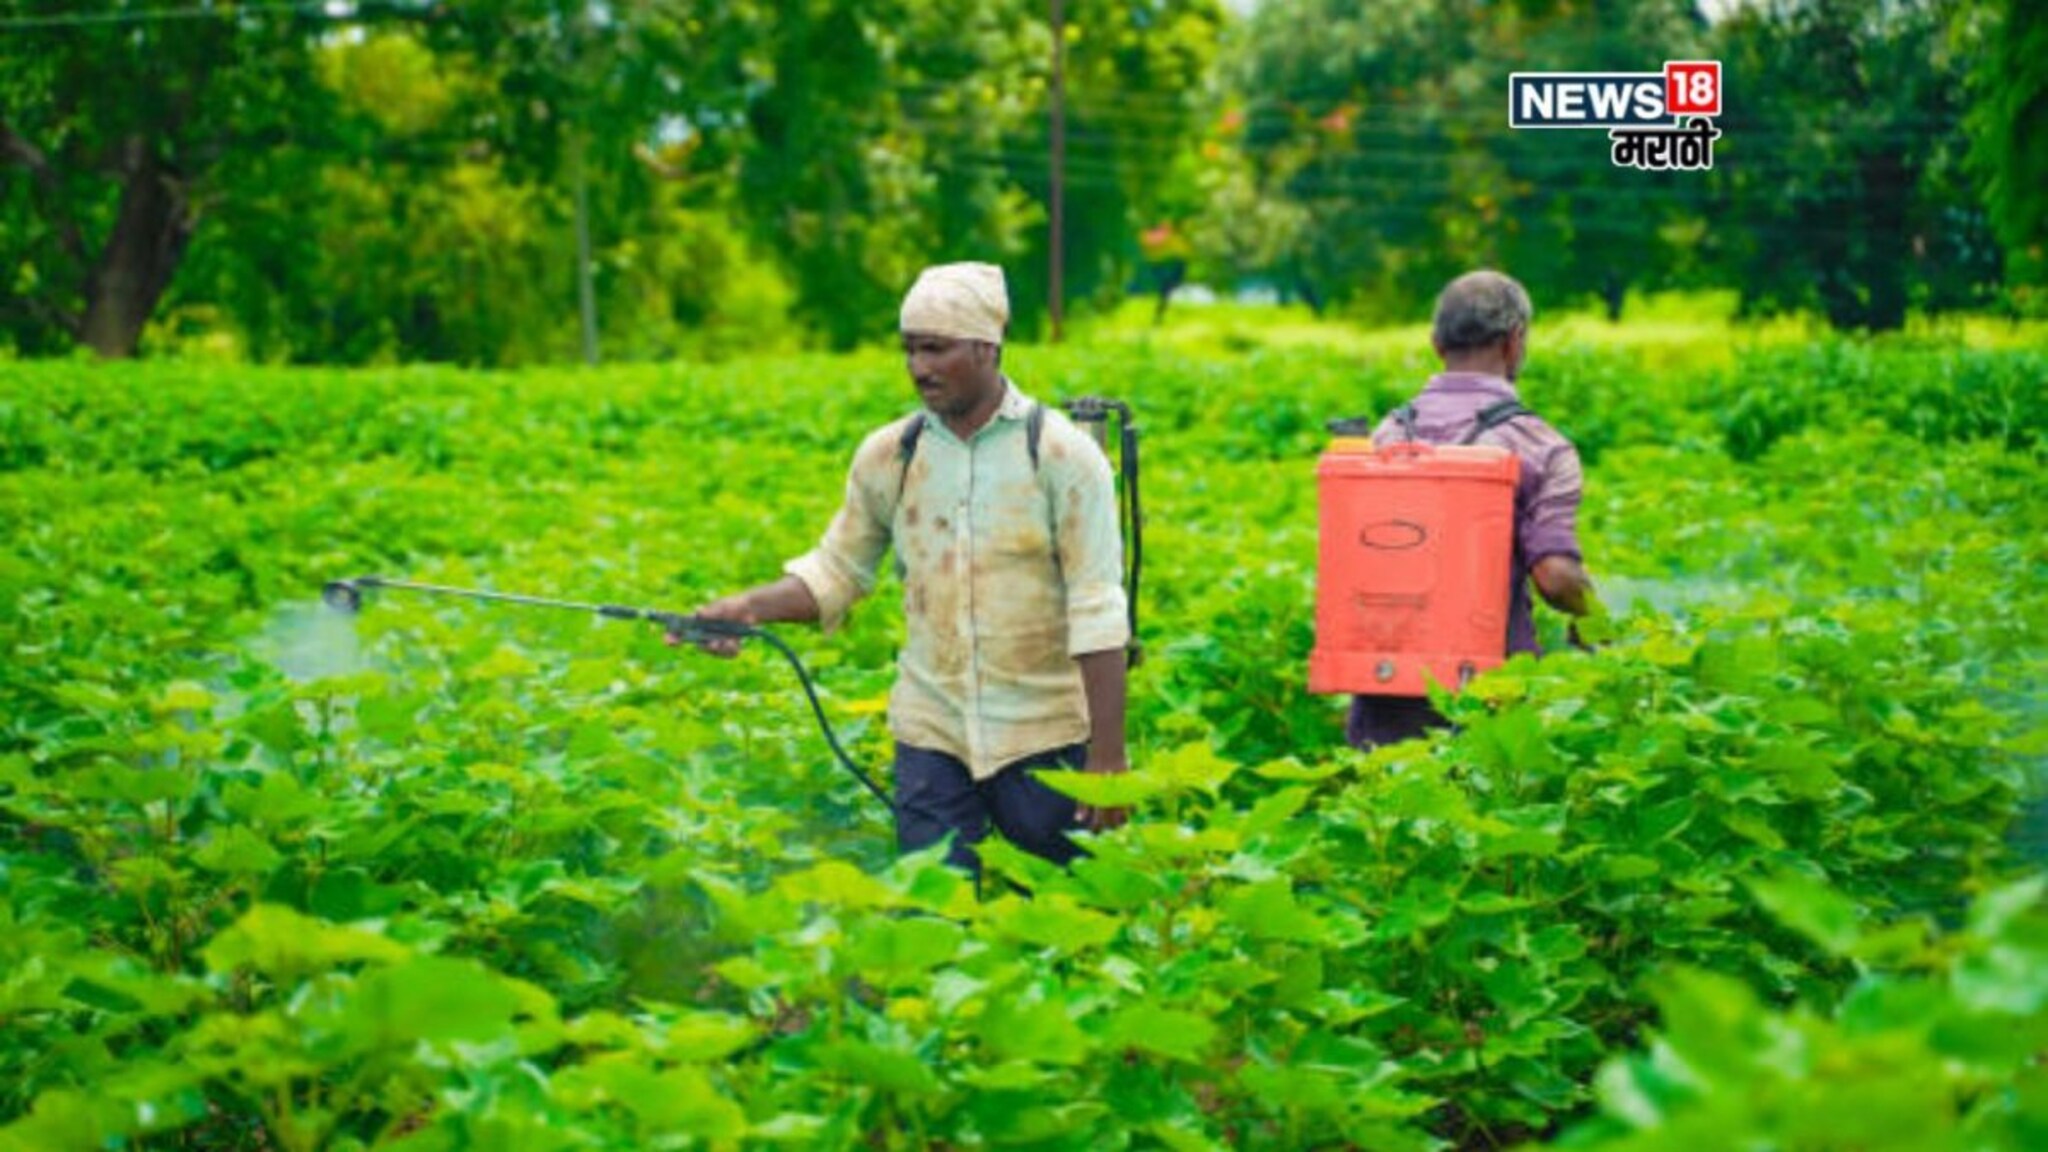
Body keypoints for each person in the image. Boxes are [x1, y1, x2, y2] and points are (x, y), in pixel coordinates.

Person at [683, 262, 1131, 875]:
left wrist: (1107, 757)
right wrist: (747, 608)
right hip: (931, 731)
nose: (919, 367)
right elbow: (837, 570)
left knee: (1060, 909)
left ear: (986, 346)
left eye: (936, 349)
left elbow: (1097, 605)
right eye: (910, 349)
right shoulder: (891, 455)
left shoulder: (1060, 455)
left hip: (1042, 731)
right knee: (933, 912)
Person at [1349, 269, 1594, 749]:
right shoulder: (1539, 445)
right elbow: (1556, 578)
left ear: (1436, 344)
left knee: (1387, 796)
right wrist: (1596, 620)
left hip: (1385, 691)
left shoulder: (1385, 436)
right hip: (1490, 696)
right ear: (1514, 342)